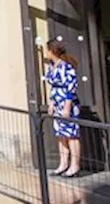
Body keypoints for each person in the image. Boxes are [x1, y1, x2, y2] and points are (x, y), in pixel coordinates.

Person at [45, 39, 83, 177]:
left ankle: (75, 165)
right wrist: (51, 103)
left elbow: (71, 88)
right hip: (57, 103)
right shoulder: (51, 66)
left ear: (52, 51)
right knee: (60, 134)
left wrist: (67, 107)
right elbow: (53, 86)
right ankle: (63, 163)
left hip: (68, 104)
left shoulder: (66, 67)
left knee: (71, 134)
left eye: (47, 50)